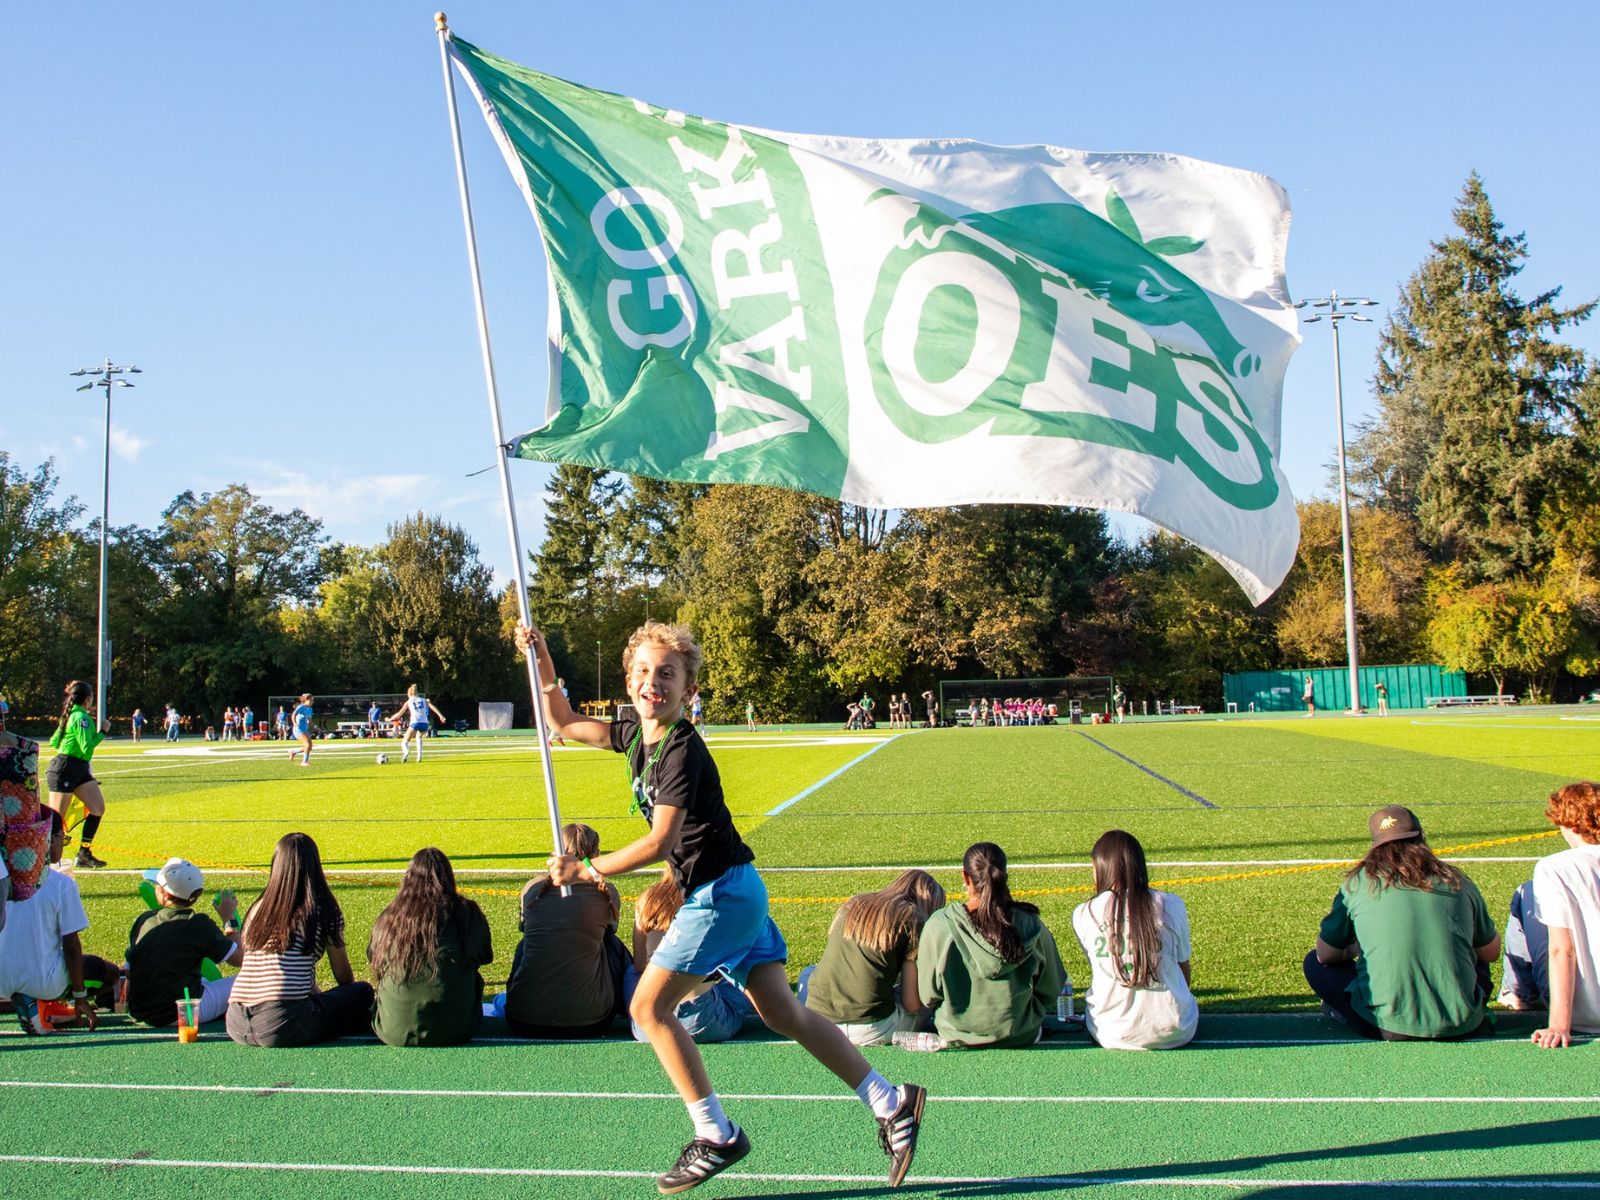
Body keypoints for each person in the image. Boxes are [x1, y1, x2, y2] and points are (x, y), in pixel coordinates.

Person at [517, 620, 927, 1193]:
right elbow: (561, 721)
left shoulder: (681, 748)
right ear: (628, 681)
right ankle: (891, 1100)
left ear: (688, 689)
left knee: (647, 1011)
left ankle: (716, 1133)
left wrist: (587, 868)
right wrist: (541, 658)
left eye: (667, 674)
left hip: (723, 896)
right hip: (738, 887)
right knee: (783, 1014)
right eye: (642, 672)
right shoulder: (635, 734)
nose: (651, 683)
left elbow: (661, 843)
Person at [1304, 805, 1499, 1040]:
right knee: (1477, 948)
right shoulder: (1458, 881)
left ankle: (1352, 1012)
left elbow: (1325, 954)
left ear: (1375, 845)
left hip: (1388, 1025)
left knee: (1314, 965)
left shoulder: (1358, 883)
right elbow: (1491, 952)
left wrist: (1359, 946)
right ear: (1421, 837)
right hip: (1464, 1022)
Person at [226, 832, 372, 1047]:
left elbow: (279, 968)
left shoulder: (258, 908)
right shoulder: (321, 906)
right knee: (362, 992)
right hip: (282, 1022)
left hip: (236, 1022)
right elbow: (342, 974)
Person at [917, 841, 1066, 1049]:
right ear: (1004, 875)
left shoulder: (939, 926)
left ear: (966, 877)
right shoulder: (1030, 924)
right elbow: (1051, 987)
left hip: (956, 1034)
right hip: (1021, 1033)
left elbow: (927, 995)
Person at [1072, 831, 1197, 1050]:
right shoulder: (1171, 904)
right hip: (1175, 1029)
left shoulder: (1085, 913)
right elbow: (1183, 968)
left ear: (1099, 868)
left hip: (1111, 1030)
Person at [1499, 782, 1600, 1049]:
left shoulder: (1555, 867)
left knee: (1525, 894)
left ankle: (1518, 993)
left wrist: (1558, 1025)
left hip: (1587, 1012)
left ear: (1571, 824)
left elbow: (1562, 950)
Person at [503, 823, 627, 1038]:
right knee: (613, 946)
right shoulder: (605, 892)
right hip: (592, 1021)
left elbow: (525, 927)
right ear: (595, 854)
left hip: (523, 1019)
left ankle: (521, 994)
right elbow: (609, 931)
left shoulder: (532, 889)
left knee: (526, 944)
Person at [0, 817, 118, 1033]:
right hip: (43, 982)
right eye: (62, 839)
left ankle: (47, 1006)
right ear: (48, 840)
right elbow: (72, 946)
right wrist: (80, 996)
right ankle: (43, 1003)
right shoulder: (61, 884)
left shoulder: (3, 878)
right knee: (108, 972)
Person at [801, 870, 946, 1045]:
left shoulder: (854, 904)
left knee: (808, 972)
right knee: (929, 993)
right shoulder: (914, 919)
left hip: (816, 1019)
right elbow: (912, 1004)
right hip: (870, 1027)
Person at [368, 847, 493, 1047]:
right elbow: (484, 955)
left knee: (362, 992)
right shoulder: (466, 912)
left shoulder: (390, 917)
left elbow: (374, 958)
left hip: (394, 1032)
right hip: (458, 1029)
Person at [628, 870, 754, 1044]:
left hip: (648, 1021)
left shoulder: (647, 898)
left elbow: (640, 964)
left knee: (631, 972)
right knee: (748, 970)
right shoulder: (714, 897)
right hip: (701, 1020)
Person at [125, 857, 242, 1027]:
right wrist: (229, 919)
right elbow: (240, 959)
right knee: (251, 977)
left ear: (164, 893)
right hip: (183, 1013)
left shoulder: (144, 920)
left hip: (139, 1012)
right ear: (196, 896)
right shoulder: (198, 923)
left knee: (200, 980)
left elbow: (129, 971)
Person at [43, 680, 109, 869]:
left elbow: (53, 742)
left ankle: (84, 853)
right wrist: (103, 731)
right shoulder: (81, 717)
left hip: (76, 768)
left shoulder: (69, 715)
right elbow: (87, 749)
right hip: (66, 769)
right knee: (56, 820)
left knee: (97, 808)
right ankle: (43, 859)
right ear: (88, 699)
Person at [390, 685, 445, 764]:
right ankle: (419, 756)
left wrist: (390, 718)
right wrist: (441, 716)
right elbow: (432, 707)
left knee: (404, 741)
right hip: (425, 723)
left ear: (409, 694)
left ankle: (406, 752)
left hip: (415, 722)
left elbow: (399, 714)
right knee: (418, 736)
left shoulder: (409, 701)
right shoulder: (423, 700)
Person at [289, 693, 316, 766]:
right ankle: (304, 762)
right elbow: (293, 714)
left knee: (309, 746)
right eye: (310, 700)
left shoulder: (310, 709)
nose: (312, 702)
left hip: (304, 729)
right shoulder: (301, 707)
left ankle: (293, 752)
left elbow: (309, 720)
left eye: (313, 700)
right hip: (298, 729)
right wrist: (294, 723)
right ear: (306, 700)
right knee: (307, 744)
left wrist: (315, 727)